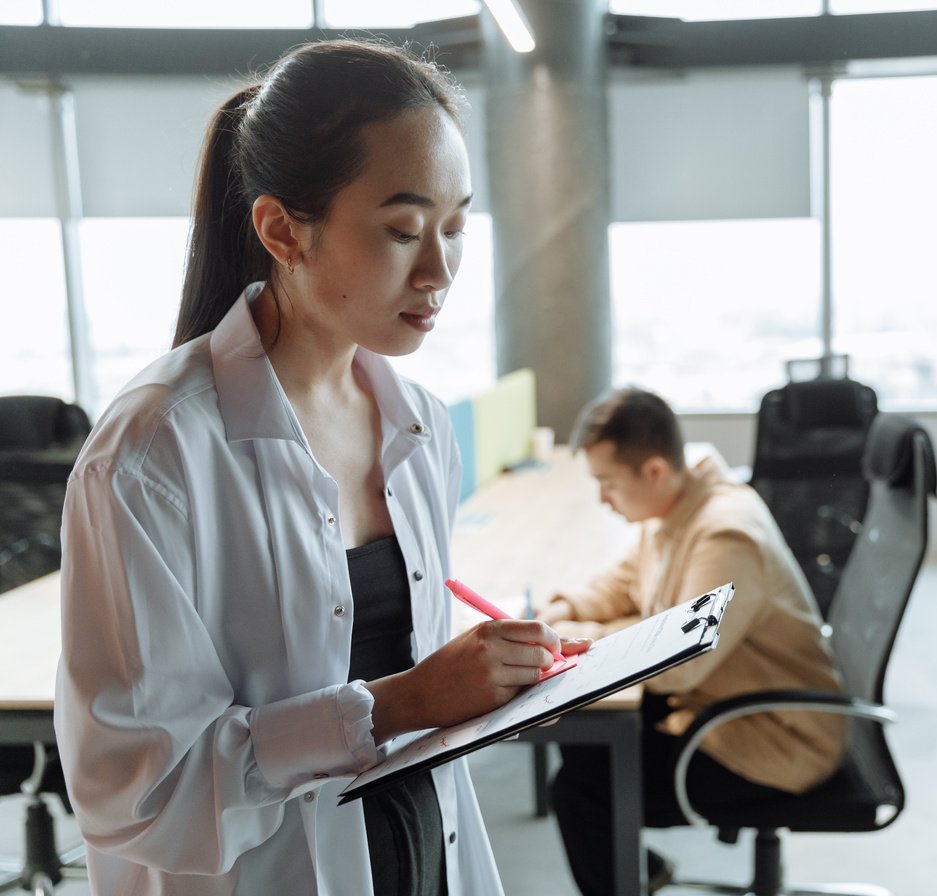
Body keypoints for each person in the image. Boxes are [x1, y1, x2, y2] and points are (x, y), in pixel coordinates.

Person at [54, 38, 587, 896]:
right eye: (404, 229)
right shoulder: (154, 452)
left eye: (454, 228)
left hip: (417, 854)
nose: (441, 270)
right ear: (281, 230)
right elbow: (135, 793)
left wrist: (497, 679)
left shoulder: (418, 424)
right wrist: (403, 702)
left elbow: (401, 665)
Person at [537, 387, 847, 895]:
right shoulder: (676, 506)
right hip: (722, 704)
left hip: (772, 739)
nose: (602, 499)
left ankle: (632, 874)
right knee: (583, 752)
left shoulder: (724, 536)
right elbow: (628, 578)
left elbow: (680, 665)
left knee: (581, 791)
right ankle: (639, 872)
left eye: (608, 483)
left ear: (654, 471)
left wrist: (576, 640)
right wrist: (568, 607)